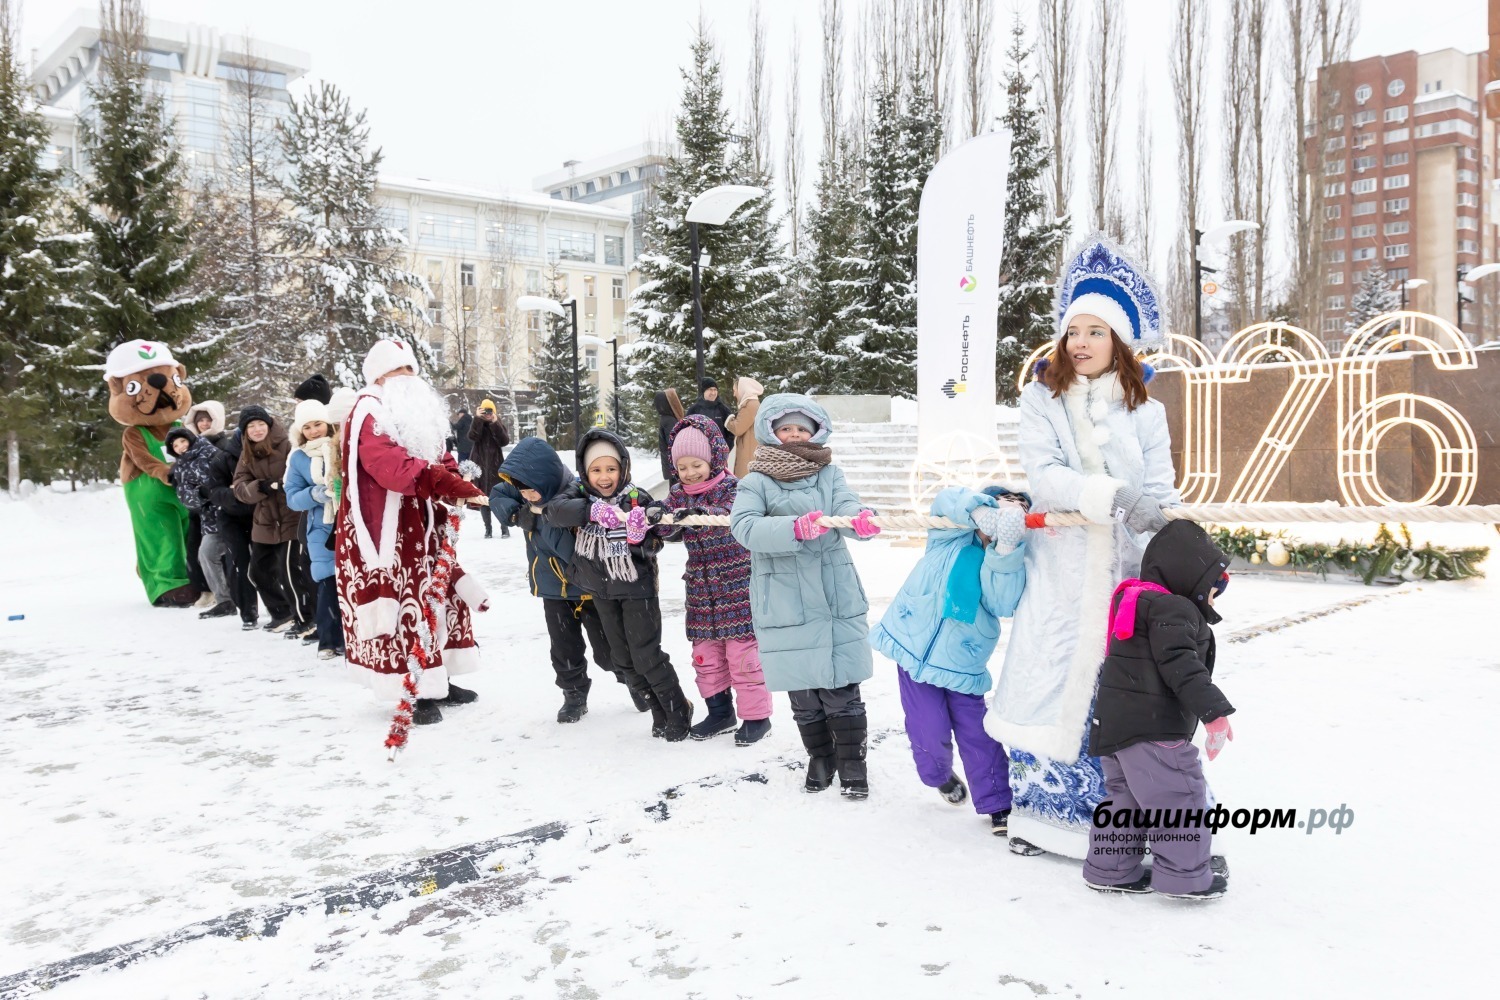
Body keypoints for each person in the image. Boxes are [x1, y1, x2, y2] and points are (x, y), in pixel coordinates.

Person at [985, 233, 1179, 859]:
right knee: (1048, 678)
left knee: (1116, 691)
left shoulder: (1145, 409)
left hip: (1122, 575)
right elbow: (1044, 479)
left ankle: (1115, 826)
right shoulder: (1041, 397)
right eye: (1075, 331)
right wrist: (1114, 495)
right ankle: (1038, 822)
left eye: (1096, 332)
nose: (1081, 343)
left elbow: (1158, 489)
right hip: (1061, 571)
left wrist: (1153, 525)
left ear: (1119, 340)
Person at [730, 394, 882, 798]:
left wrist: (859, 519)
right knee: (803, 689)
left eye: (802, 427)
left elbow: (845, 505)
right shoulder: (756, 480)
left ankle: (852, 762)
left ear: (816, 431)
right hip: (783, 595)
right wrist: (793, 529)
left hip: (833, 591)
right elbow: (743, 527)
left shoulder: (830, 474)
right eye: (786, 428)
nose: (794, 434)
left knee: (841, 686)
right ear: (771, 433)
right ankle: (820, 756)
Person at [336, 339, 489, 726]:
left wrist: (458, 482)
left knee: (440, 598)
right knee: (407, 607)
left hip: (426, 524)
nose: (407, 378)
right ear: (379, 377)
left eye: (410, 370)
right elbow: (388, 463)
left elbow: (441, 456)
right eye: (397, 370)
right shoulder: (369, 411)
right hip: (389, 533)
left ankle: (440, 678)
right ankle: (414, 688)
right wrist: (444, 483)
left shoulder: (415, 413)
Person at [1083, 520, 1234, 900]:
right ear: (1189, 577)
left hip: (1116, 724)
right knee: (1178, 798)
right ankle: (1185, 877)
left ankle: (1109, 870)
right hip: (1155, 728)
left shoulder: (1133, 600)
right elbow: (1182, 667)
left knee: (1125, 800)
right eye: (1212, 591)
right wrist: (1213, 711)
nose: (1213, 601)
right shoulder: (1174, 609)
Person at [870, 486, 1029, 835]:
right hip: (914, 651)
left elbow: (1003, 602)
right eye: (1001, 507)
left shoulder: (1008, 559)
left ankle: (999, 802)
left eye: (1015, 514)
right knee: (927, 728)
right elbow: (946, 499)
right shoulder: (948, 537)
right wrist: (978, 512)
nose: (1005, 516)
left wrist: (1004, 549)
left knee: (978, 734)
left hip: (963, 662)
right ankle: (938, 776)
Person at [542, 429, 695, 741]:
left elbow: (657, 545)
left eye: (611, 469)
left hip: (637, 588)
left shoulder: (638, 498)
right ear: (585, 472)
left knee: (646, 655)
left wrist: (639, 538)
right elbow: (552, 512)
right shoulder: (579, 497)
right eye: (596, 470)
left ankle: (677, 707)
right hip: (601, 591)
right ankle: (656, 708)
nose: (604, 477)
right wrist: (591, 511)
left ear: (623, 467)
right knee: (621, 660)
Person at [490, 436, 640, 723]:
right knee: (564, 649)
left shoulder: (572, 495)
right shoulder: (525, 493)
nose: (528, 496)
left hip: (587, 587)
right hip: (552, 589)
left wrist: (541, 519)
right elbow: (498, 493)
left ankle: (633, 681)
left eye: (531, 491)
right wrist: (514, 513)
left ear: (544, 480)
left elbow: (570, 551)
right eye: (522, 491)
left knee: (609, 650)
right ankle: (574, 694)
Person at [652, 415, 772, 745]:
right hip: (701, 591)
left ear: (714, 458)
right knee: (706, 656)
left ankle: (757, 717)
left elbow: (726, 516)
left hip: (736, 587)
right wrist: (655, 516)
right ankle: (720, 712)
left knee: (743, 656)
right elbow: (666, 527)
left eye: (697, 464)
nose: (690, 473)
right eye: (683, 466)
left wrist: (698, 516)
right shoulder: (678, 494)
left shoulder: (735, 489)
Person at [284, 399, 346, 660]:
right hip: (321, 528)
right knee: (328, 583)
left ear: (328, 423)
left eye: (318, 423)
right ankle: (329, 640)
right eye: (307, 427)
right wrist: (316, 493)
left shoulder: (343, 446)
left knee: (352, 582)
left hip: (350, 522)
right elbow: (292, 497)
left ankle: (353, 638)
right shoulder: (298, 458)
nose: (314, 430)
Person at [231, 406, 301, 632]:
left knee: (289, 571)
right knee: (257, 572)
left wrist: (284, 485)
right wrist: (259, 487)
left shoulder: (288, 443)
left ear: (269, 424)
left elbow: (299, 472)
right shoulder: (246, 453)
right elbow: (239, 488)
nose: (257, 429)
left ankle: (303, 617)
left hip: (291, 515)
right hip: (265, 520)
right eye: (251, 426)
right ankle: (282, 614)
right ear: (245, 432)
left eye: (260, 424)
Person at [164, 425, 237, 618]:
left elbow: (232, 477)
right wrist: (202, 493)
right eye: (176, 445)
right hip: (210, 520)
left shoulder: (213, 453)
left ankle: (260, 600)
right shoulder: (179, 468)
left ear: (190, 439)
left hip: (233, 514)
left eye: (182, 441)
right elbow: (185, 497)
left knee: (246, 558)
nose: (180, 447)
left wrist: (219, 491)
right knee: (206, 554)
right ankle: (224, 600)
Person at [204, 416, 259, 628]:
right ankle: (248, 612)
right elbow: (214, 491)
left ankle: (280, 608)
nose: (254, 433)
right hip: (231, 517)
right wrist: (237, 494)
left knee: (265, 563)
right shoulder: (223, 458)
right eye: (248, 430)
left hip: (261, 516)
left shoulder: (266, 454)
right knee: (238, 563)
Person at [467, 399, 511, 539]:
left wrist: (495, 423)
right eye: (485, 411)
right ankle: (488, 529)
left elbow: (504, 441)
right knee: (483, 498)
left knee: (498, 498)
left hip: (495, 465)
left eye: (490, 411)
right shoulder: (478, 423)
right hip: (480, 466)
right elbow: (472, 436)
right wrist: (477, 419)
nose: (487, 414)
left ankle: (504, 528)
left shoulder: (497, 424)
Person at [722, 376, 763, 480]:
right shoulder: (751, 404)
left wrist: (729, 422)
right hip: (749, 452)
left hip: (748, 455)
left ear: (742, 389)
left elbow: (738, 428)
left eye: (735, 390)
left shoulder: (750, 405)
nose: (734, 394)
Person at [686, 378, 732, 451]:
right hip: (699, 452)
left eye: (715, 390)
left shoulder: (723, 409)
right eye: (710, 389)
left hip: (719, 453)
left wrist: (726, 448)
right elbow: (686, 431)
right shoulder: (694, 410)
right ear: (704, 391)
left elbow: (731, 432)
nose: (713, 393)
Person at [652, 388, 685, 481]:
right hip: (674, 465)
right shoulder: (669, 420)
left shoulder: (666, 418)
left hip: (670, 465)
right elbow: (674, 444)